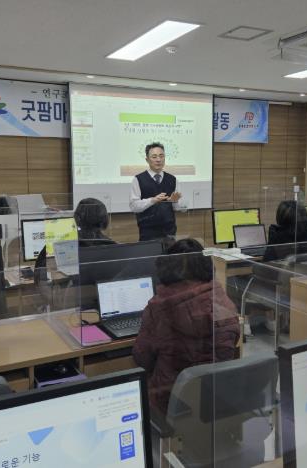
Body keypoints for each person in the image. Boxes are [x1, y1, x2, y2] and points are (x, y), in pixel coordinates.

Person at [133, 238, 240, 412]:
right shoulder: (224, 303)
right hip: (215, 401)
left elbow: (142, 359)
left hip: (170, 403)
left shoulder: (159, 309)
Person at [129, 142, 182, 241]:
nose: (158, 160)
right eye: (154, 157)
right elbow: (134, 206)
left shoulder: (173, 179)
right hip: (147, 232)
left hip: (169, 232)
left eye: (161, 156)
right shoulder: (138, 179)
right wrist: (153, 200)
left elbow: (177, 208)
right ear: (147, 160)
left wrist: (174, 201)